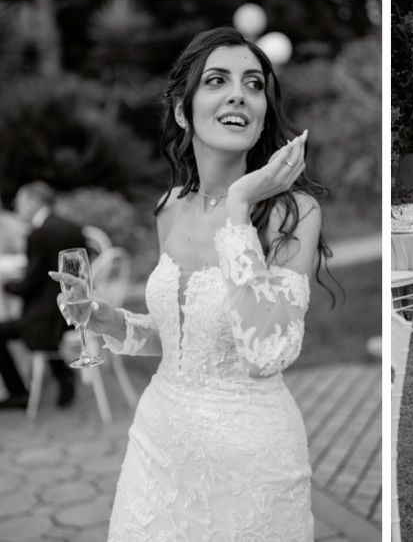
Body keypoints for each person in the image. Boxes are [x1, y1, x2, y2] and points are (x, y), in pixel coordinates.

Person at [51, 27, 334, 541]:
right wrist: (103, 317)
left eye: (253, 84)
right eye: (217, 80)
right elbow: (178, 340)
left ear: (263, 112)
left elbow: (266, 353)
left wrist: (240, 206)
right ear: (183, 111)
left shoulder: (294, 214)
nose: (238, 94)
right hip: (158, 445)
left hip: (251, 463)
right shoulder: (169, 207)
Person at [0, 181, 83, 409]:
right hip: (76, 310)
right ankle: (63, 375)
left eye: (20, 202)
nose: (17, 207)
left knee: (8, 328)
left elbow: (30, 284)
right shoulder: (73, 227)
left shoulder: (38, 234)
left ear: (34, 201)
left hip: (50, 318)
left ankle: (18, 393)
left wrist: (7, 286)